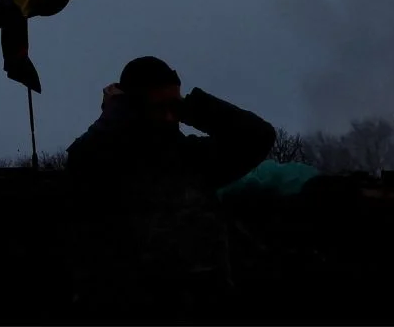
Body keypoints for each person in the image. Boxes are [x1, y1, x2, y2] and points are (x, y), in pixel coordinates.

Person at [63, 56, 277, 317]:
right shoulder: (106, 164)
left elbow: (258, 136)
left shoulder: (194, 159)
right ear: (132, 108)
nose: (168, 117)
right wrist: (117, 111)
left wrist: (192, 108)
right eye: (157, 107)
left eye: (173, 108)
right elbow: (82, 160)